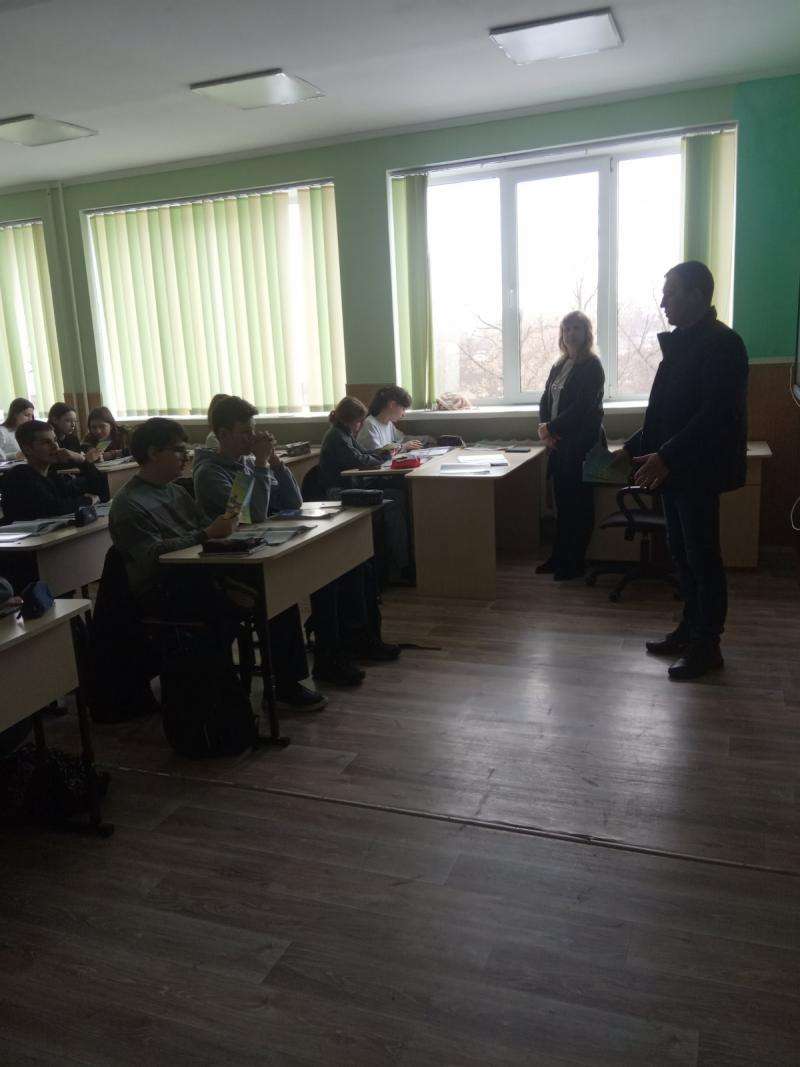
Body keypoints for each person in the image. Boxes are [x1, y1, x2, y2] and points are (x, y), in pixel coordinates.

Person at [110, 417, 326, 709]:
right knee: (262, 595)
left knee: (278, 588)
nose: (186, 456)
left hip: (201, 571)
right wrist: (207, 534)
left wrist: (261, 466)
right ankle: (233, 691)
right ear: (153, 453)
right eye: (178, 450)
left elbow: (223, 522)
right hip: (168, 588)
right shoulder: (129, 503)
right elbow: (152, 557)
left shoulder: (175, 490)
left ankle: (284, 684)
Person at [194, 395, 399, 683]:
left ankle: (356, 641)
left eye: (254, 430)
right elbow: (254, 515)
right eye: (245, 432)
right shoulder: (210, 473)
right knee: (319, 579)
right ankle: (320, 664)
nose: (252, 438)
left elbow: (293, 500)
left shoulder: (248, 462)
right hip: (239, 561)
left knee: (352, 566)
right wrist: (262, 464)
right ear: (223, 434)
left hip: (269, 543)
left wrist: (275, 462)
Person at [620, 260, 748, 681]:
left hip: (698, 470)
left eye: (671, 293)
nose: (663, 303)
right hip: (674, 470)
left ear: (697, 295)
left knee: (702, 557)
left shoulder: (723, 344)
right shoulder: (681, 344)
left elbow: (714, 415)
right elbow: (664, 414)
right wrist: (632, 448)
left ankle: (707, 645)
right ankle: (690, 629)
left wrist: (667, 455)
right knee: (681, 554)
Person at [537, 311, 605, 581]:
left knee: (578, 504)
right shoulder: (560, 364)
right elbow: (545, 399)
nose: (571, 333)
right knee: (563, 504)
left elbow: (581, 408)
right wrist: (544, 428)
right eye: (567, 329)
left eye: (577, 328)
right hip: (559, 444)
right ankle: (558, 558)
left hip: (580, 445)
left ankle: (574, 563)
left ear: (587, 333)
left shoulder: (592, 366)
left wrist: (551, 428)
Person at [319, 396, 413, 583]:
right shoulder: (337, 437)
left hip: (352, 487)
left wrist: (381, 453)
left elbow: (362, 453)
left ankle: (401, 561)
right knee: (394, 501)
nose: (361, 425)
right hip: (340, 492)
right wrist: (383, 458)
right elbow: (358, 460)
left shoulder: (343, 432)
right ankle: (401, 567)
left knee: (398, 494)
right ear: (349, 420)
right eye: (359, 421)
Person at [0, 419, 109, 523]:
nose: (55, 446)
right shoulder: (19, 476)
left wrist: (82, 461)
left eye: (55, 440)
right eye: (46, 442)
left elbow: (103, 492)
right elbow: (52, 507)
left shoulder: (52, 475)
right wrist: (87, 500)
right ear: (28, 449)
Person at [357, 385, 423, 454]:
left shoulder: (388, 424)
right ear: (392, 405)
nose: (403, 414)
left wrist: (427, 439)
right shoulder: (370, 425)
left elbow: (403, 439)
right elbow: (377, 454)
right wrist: (403, 447)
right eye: (403, 409)